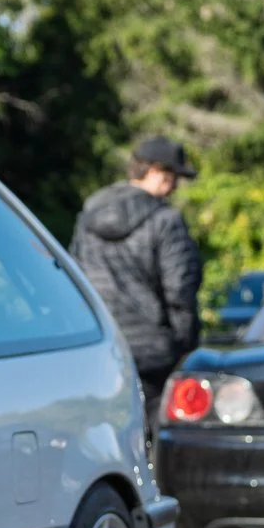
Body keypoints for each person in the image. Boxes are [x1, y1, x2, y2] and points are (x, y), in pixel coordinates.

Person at [72, 134, 203, 431]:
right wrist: (185, 345)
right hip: (153, 356)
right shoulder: (166, 221)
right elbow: (180, 289)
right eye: (174, 177)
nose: (175, 187)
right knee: (156, 443)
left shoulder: (87, 217)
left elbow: (75, 278)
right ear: (156, 173)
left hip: (100, 347)